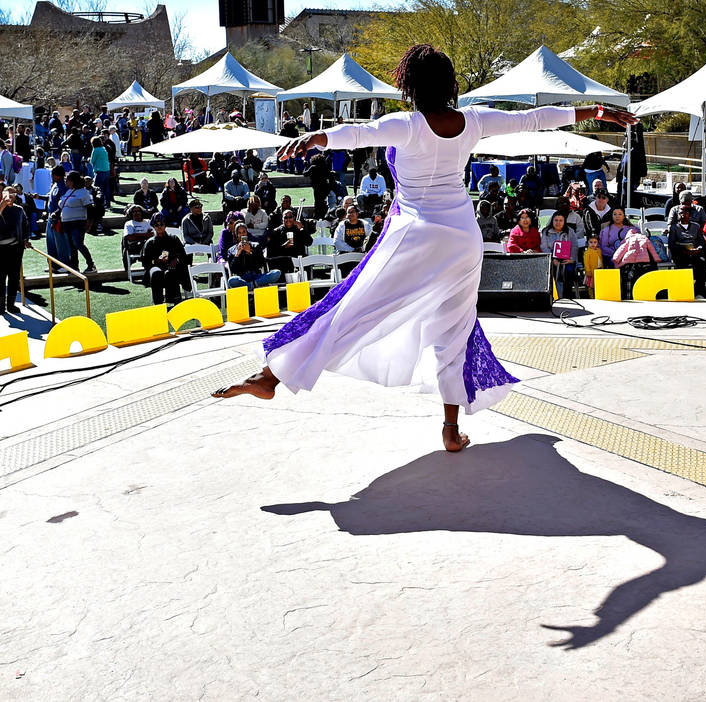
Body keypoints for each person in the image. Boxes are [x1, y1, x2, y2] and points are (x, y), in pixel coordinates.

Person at [212, 43, 636, 452]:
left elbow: (357, 134)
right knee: (454, 333)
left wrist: (314, 139)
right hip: (463, 241)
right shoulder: (473, 120)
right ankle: (451, 430)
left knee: (351, 307)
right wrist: (595, 111)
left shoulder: (408, 124)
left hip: (417, 235)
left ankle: (270, 376)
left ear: (410, 84)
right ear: (450, 83)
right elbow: (534, 119)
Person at [140, 214, 189, 305]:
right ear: (153, 226)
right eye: (156, 225)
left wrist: (176, 260)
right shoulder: (149, 243)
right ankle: (157, 302)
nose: (159, 227)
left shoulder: (174, 239)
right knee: (156, 273)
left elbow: (183, 256)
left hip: (172, 266)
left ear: (165, 225)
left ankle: (173, 299)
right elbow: (145, 262)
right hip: (156, 266)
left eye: (161, 224)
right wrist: (156, 261)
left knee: (171, 272)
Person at [0, 186, 31, 313]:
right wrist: (2, 204)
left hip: (17, 248)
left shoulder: (19, 210)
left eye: (13, 192)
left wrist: (25, 238)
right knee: (1, 277)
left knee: (14, 277)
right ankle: (1, 305)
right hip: (1, 248)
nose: (10, 195)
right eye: (7, 192)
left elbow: (25, 225)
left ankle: (11, 304)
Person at [59, 171, 96, 273]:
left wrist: (89, 223)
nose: (66, 182)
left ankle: (91, 265)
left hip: (78, 223)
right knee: (71, 246)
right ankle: (74, 267)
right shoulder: (69, 191)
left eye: (67, 180)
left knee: (78, 243)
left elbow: (90, 208)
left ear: (73, 181)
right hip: (66, 223)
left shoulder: (83, 192)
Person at [227, 222, 282, 289]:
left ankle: (252, 284)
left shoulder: (255, 245)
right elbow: (233, 269)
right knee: (232, 281)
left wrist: (250, 252)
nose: (242, 234)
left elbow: (261, 263)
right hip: (242, 277)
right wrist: (237, 254)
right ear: (236, 235)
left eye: (244, 232)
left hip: (256, 276)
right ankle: (251, 285)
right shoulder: (231, 250)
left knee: (276, 273)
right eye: (239, 233)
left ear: (247, 233)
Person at [667, 205, 706, 294]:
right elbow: (671, 244)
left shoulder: (696, 226)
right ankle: (683, 291)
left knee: (701, 264)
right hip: (681, 253)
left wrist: (698, 249)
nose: (682, 215)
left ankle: (699, 292)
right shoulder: (674, 228)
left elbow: (702, 242)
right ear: (677, 215)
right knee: (682, 265)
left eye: (685, 213)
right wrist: (683, 250)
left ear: (689, 215)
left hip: (694, 252)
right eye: (680, 213)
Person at [540, 212, 578, 298]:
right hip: (552, 260)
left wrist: (571, 259)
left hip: (567, 260)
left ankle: (566, 297)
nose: (558, 223)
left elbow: (575, 246)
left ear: (564, 221)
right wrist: (552, 259)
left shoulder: (570, 231)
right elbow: (544, 247)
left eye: (561, 220)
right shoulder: (546, 232)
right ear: (552, 221)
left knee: (568, 271)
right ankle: (553, 296)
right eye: (556, 220)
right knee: (551, 272)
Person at [266, 209, 313, 274]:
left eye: (290, 217)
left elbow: (309, 242)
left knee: (306, 259)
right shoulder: (277, 231)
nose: (288, 219)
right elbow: (272, 251)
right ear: (282, 219)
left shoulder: (298, 229)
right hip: (284, 259)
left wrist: (302, 229)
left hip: (299, 256)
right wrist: (284, 246)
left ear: (293, 218)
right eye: (285, 217)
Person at [122, 205, 153, 272]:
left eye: (138, 211)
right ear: (131, 213)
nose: (136, 213)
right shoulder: (128, 223)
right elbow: (129, 237)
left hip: (147, 245)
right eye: (134, 211)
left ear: (142, 212)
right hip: (135, 247)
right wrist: (146, 235)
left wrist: (135, 235)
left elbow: (152, 234)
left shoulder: (148, 222)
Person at [88, 136, 111, 208]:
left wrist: (89, 159)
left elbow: (92, 161)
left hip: (99, 171)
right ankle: (108, 203)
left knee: (96, 188)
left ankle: (98, 203)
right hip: (107, 170)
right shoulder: (103, 149)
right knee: (106, 188)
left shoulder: (95, 150)